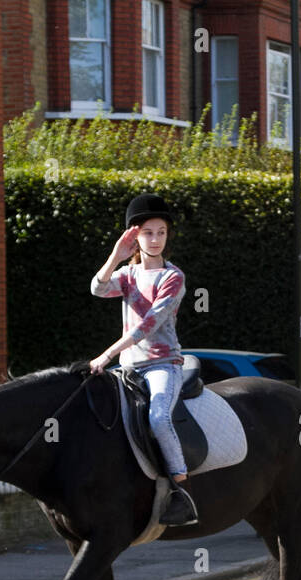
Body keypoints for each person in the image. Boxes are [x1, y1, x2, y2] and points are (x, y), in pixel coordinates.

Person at [89, 193, 198, 526]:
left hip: (163, 365)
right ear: (136, 236)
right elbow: (97, 288)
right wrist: (115, 257)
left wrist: (107, 354)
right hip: (128, 367)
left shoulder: (173, 278)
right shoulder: (128, 274)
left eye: (161, 232)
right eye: (148, 232)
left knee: (158, 418)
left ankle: (182, 492)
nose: (155, 239)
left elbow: (148, 325)